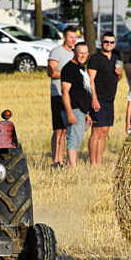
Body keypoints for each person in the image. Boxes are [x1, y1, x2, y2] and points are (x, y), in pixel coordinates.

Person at [86, 32, 122, 168]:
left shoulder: (116, 58)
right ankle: (92, 163)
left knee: (105, 132)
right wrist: (94, 99)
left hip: (110, 100)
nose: (109, 44)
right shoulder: (95, 58)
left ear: (115, 43)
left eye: (111, 42)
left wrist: (120, 74)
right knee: (97, 131)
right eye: (106, 41)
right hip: (98, 98)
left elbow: (118, 78)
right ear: (101, 41)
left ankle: (99, 162)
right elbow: (90, 80)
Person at [47, 26, 78, 167]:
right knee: (58, 128)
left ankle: (64, 159)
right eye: (71, 37)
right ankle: (56, 160)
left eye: (75, 37)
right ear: (64, 38)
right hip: (58, 94)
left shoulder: (75, 54)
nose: (73, 40)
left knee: (67, 129)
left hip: (71, 95)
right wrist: (70, 77)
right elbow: (51, 72)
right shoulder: (57, 51)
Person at [60, 42, 93, 169]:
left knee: (78, 140)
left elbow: (84, 90)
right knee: (73, 140)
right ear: (74, 53)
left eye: (86, 53)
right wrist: (69, 112)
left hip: (81, 111)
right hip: (73, 109)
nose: (83, 56)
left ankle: (69, 167)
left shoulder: (81, 68)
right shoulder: (69, 69)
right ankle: (73, 169)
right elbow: (65, 92)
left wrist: (87, 112)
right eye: (81, 53)